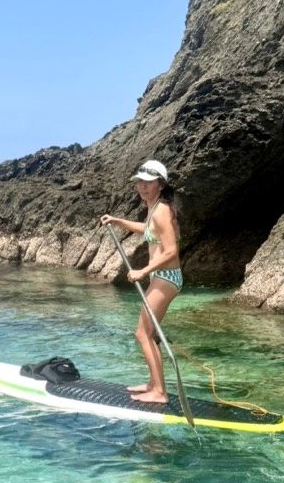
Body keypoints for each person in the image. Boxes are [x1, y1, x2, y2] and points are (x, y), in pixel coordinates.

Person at [100, 159, 183, 403]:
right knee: (149, 333)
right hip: (162, 277)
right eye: (139, 182)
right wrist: (117, 221)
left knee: (142, 333)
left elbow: (171, 251)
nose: (142, 187)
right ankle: (153, 383)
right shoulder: (154, 207)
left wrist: (143, 271)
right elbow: (147, 229)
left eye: (148, 182)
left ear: (160, 184)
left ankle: (159, 392)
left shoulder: (162, 210)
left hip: (166, 277)